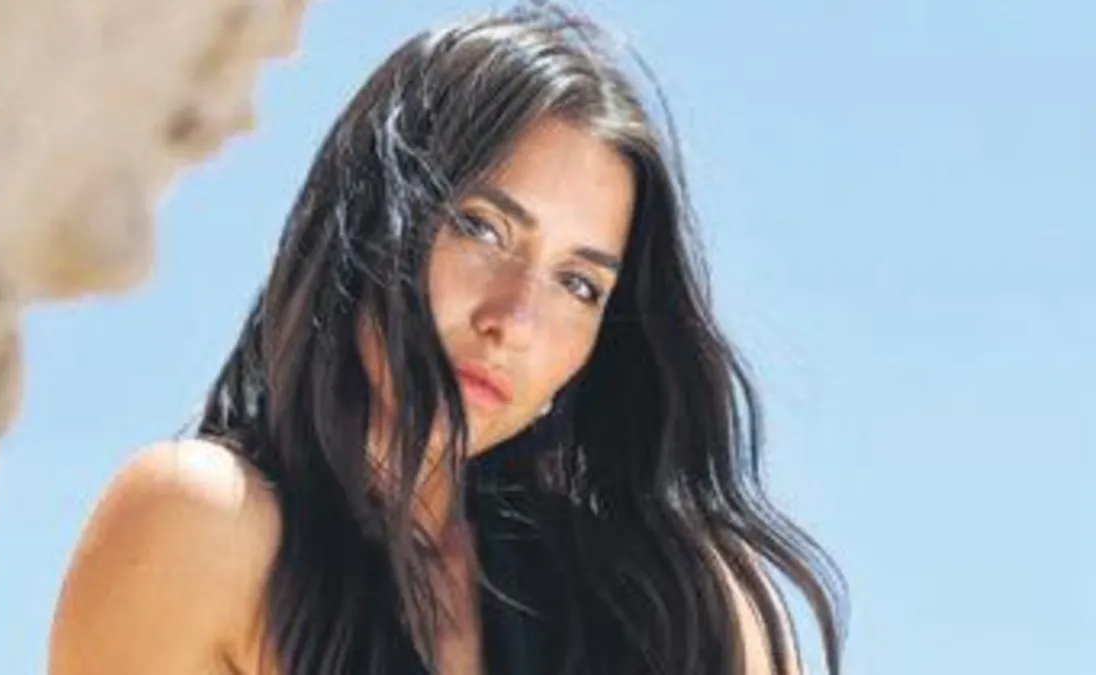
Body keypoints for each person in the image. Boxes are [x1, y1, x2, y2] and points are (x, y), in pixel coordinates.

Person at [49, 5, 846, 674]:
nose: (515, 320)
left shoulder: (682, 605)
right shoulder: (203, 523)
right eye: (483, 228)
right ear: (370, 218)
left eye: (579, 284)